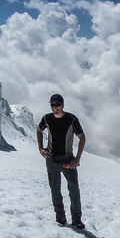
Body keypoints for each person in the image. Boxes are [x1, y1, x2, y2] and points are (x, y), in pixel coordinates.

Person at [37, 94, 86, 229]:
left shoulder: (71, 119)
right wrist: (40, 148)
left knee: (74, 191)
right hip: (51, 159)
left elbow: (82, 138)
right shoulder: (47, 118)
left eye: (57, 105)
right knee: (55, 191)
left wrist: (77, 159)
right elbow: (39, 130)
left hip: (68, 161)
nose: (54, 108)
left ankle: (77, 220)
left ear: (62, 105)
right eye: (52, 105)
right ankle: (60, 218)